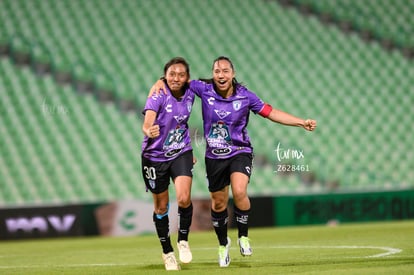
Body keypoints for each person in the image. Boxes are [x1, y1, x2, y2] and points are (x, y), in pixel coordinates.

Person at [151, 56, 317, 267]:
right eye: (217, 71)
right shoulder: (203, 89)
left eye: (225, 71)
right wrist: (159, 81)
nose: (221, 75)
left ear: (233, 74)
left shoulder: (245, 96)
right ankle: (223, 244)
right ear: (213, 74)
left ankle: (243, 235)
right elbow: (175, 81)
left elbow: (271, 112)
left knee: (239, 192)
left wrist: (300, 122)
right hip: (214, 157)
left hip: (240, 151)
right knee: (219, 203)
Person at [141, 57, 196, 271]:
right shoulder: (158, 94)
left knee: (184, 198)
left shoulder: (191, 90)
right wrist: (148, 129)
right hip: (154, 157)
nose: (176, 78)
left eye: (181, 74)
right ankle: (167, 252)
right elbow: (148, 121)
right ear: (165, 75)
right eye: (171, 74)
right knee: (161, 206)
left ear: (187, 78)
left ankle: (183, 240)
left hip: (181, 151)